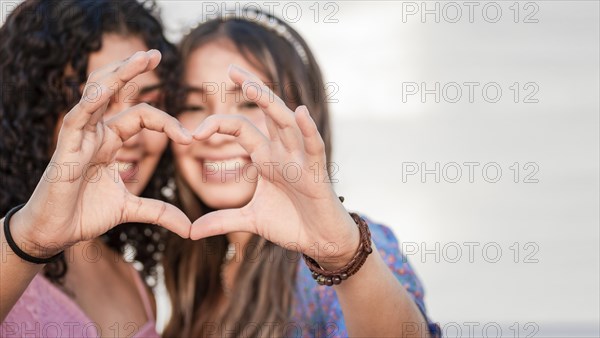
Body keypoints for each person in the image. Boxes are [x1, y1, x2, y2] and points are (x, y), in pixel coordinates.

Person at [164, 10, 441, 337]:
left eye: (251, 104)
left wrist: (344, 258)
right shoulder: (199, 267)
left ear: (303, 117)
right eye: (194, 106)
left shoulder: (346, 254)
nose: (219, 130)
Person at [0, 1, 191, 337]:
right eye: (98, 102)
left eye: (149, 102)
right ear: (34, 110)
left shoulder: (135, 282)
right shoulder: (13, 246)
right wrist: (29, 242)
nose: (129, 130)